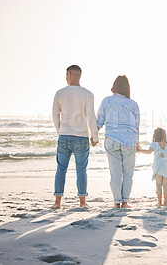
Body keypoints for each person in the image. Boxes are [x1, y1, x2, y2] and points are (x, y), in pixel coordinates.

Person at [51, 65, 99, 209]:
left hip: (64, 135)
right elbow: (91, 117)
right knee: (81, 170)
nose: (66, 77)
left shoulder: (59, 93)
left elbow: (55, 116)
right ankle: (82, 202)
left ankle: (57, 202)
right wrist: (94, 136)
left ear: (70, 74)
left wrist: (60, 131)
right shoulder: (88, 94)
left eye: (66, 75)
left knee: (61, 169)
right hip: (81, 136)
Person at [97, 75, 140, 209]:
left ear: (114, 86)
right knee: (128, 173)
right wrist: (137, 143)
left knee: (115, 173)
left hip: (112, 139)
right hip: (129, 140)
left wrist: (93, 137)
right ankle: (125, 202)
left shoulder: (107, 101)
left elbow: (99, 121)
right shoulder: (132, 103)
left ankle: (117, 202)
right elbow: (136, 126)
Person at [138, 128, 167, 207]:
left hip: (158, 167)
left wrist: (140, 150)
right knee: (166, 185)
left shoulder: (154, 145)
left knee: (158, 185)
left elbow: (148, 152)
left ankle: (159, 203)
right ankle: (165, 203)